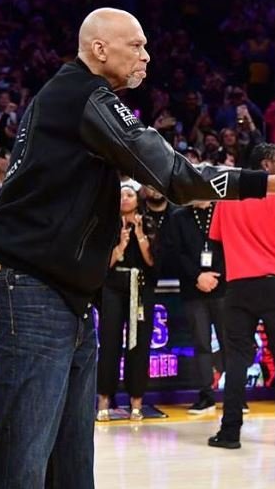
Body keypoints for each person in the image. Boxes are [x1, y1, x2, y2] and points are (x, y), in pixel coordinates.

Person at [0, 8, 275, 489]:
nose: (147, 56)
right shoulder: (87, 95)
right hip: (30, 291)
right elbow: (175, 176)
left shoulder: (70, 97)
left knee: (70, 460)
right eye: (136, 45)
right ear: (99, 49)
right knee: (24, 458)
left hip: (54, 293)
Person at [206, 143, 275, 449]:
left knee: (236, 359)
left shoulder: (228, 196)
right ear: (265, 165)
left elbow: (216, 243)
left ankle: (230, 432)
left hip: (240, 286)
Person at [96, 180, 156, 422]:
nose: (125, 199)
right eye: (121, 195)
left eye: (129, 194)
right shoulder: (107, 226)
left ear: (137, 199)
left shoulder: (149, 223)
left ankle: (136, 401)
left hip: (140, 287)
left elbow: (153, 262)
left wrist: (139, 235)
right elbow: (102, 265)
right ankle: (104, 399)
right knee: (109, 343)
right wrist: (120, 245)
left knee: (139, 345)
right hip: (112, 287)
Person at [167, 199, 228, 414]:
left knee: (228, 341)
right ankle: (206, 394)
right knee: (201, 342)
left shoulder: (223, 211)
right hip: (193, 288)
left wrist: (215, 277)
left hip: (222, 286)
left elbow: (230, 245)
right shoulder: (179, 216)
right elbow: (176, 252)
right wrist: (198, 276)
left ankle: (234, 395)